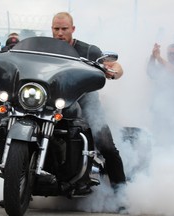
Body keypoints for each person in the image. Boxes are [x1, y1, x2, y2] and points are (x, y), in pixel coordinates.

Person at [51, 12, 126, 189]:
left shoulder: (88, 50)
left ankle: (121, 193)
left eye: (64, 29)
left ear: (73, 29)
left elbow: (115, 66)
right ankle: (18, 188)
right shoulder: (44, 48)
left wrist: (113, 72)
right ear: (51, 29)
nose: (60, 33)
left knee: (107, 146)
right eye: (56, 29)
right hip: (53, 105)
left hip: (87, 104)